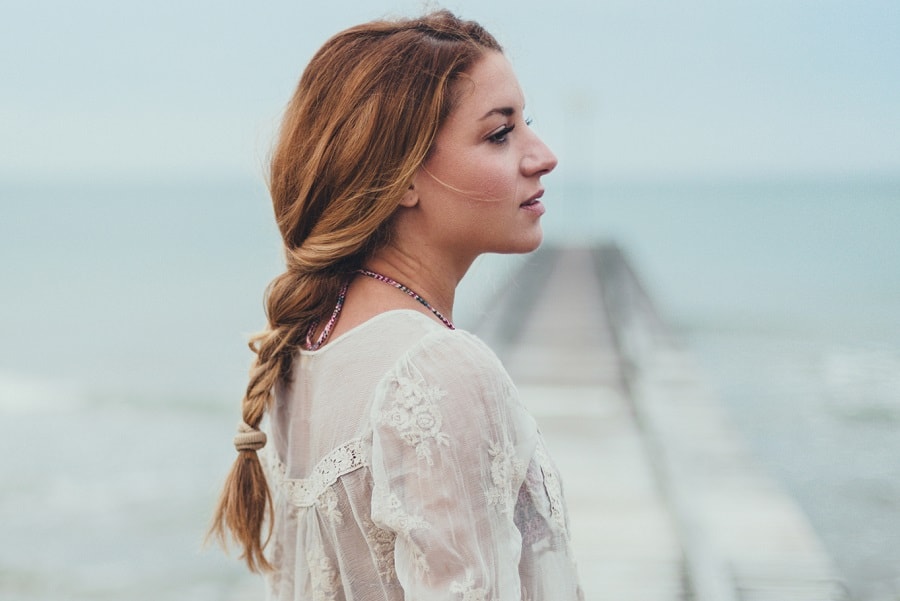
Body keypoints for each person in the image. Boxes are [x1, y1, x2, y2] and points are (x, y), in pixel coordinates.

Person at [210, 10, 583, 600]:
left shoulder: (308, 344)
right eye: (499, 133)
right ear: (400, 178)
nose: (542, 156)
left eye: (526, 123)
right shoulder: (437, 370)